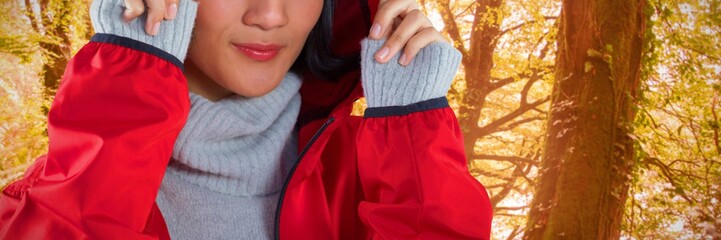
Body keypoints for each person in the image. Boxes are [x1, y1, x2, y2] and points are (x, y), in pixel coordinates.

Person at [0, 0, 493, 239]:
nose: (271, 15)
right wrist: (130, 77)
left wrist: (412, 128)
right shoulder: (53, 201)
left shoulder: (380, 180)